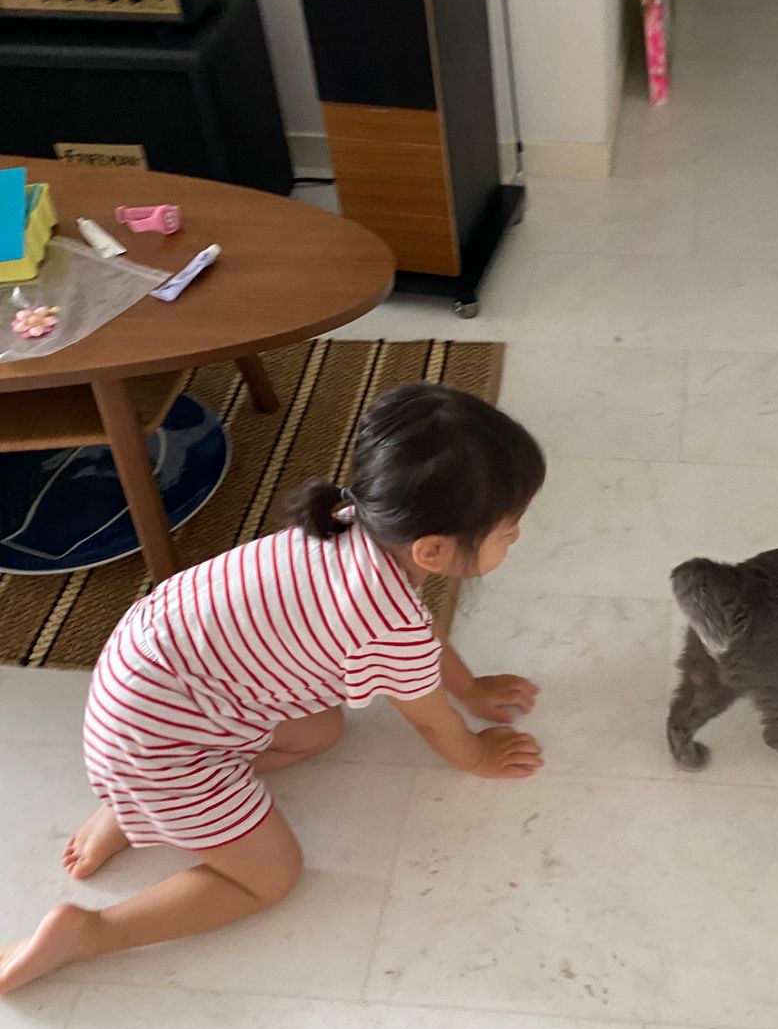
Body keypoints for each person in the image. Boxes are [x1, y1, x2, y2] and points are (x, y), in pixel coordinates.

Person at [0, 383, 546, 995]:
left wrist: (469, 688)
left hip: (136, 689)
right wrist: (477, 755)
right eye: (509, 527)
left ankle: (133, 808)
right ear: (434, 550)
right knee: (270, 877)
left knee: (322, 729)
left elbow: (417, 639)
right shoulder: (392, 625)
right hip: (160, 747)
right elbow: (430, 719)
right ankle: (93, 932)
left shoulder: (346, 524)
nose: (516, 536)